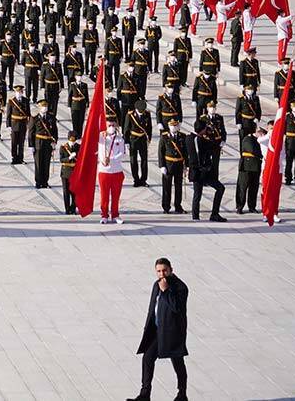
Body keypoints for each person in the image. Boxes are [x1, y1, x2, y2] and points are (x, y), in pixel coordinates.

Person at [127, 258, 189, 401]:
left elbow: (177, 308)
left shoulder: (181, 287)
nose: (162, 274)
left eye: (165, 270)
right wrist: (148, 326)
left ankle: (182, 394)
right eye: (159, 271)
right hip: (156, 330)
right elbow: (152, 308)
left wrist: (166, 290)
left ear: (171, 270)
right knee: (148, 358)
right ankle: (145, 394)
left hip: (172, 332)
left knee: (177, 362)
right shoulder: (157, 284)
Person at [98, 119, 127, 224]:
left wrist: (112, 159)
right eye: (109, 125)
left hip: (117, 171)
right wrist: (103, 160)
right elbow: (99, 151)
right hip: (104, 171)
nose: (111, 127)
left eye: (113, 125)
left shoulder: (120, 139)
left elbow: (123, 154)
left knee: (116, 195)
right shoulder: (101, 138)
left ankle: (115, 215)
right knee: (104, 195)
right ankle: (104, 215)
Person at [236, 124, 264, 214]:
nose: (262, 135)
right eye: (261, 133)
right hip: (246, 166)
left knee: (254, 188)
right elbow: (252, 150)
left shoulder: (259, 141)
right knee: (242, 187)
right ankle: (239, 206)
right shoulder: (248, 139)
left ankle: (252, 206)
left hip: (256, 166)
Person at [59, 131, 79, 215]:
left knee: (74, 191)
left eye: (74, 141)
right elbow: (61, 160)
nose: (72, 142)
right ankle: (67, 209)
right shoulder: (63, 147)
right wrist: (69, 157)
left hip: (75, 171)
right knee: (66, 191)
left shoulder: (79, 147)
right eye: (71, 141)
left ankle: (73, 208)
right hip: (65, 172)